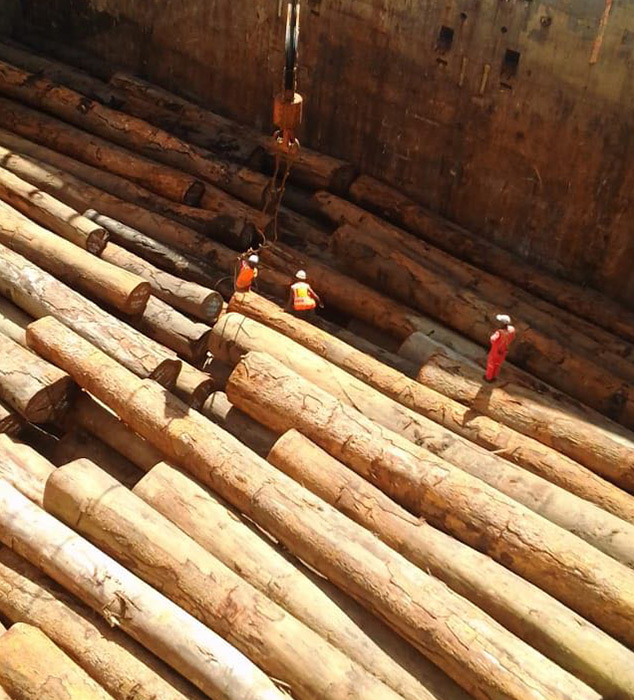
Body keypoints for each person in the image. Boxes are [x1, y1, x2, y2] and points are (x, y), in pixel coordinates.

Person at [485, 314, 516, 382]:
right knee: (497, 364)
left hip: (496, 350)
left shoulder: (499, 332)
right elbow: (512, 337)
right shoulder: (512, 330)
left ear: (502, 323)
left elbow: (492, 340)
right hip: (504, 350)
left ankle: (488, 378)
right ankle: (494, 376)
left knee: (491, 364)